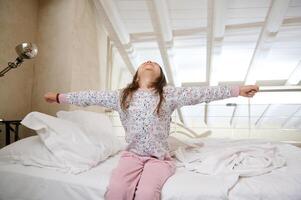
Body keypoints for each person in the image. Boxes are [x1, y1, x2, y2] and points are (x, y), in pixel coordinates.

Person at [44, 60, 259, 200]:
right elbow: (89, 97)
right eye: (146, 63)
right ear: (136, 75)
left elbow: (202, 93)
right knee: (117, 191)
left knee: (147, 193)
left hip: (159, 159)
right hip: (131, 156)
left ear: (160, 77)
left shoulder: (169, 94)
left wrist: (237, 90)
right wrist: (60, 97)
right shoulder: (121, 96)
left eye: (155, 64)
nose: (149, 63)